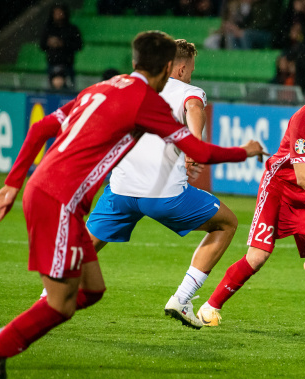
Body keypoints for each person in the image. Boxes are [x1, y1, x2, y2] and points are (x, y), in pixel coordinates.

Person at [0, 31, 265, 379]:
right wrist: (245, 151)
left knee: (92, 290)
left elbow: (41, 127)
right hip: (60, 200)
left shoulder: (102, 88)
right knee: (60, 304)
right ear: (168, 68)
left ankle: (4, 339)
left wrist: (12, 183)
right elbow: (199, 144)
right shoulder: (147, 101)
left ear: (134, 62)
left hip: (66, 191)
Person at [196, 60, 305, 326]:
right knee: (258, 256)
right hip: (280, 189)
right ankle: (209, 307)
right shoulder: (304, 120)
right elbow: (303, 176)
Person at [84, 39, 238, 330]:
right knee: (227, 223)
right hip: (162, 194)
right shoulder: (189, 91)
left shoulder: (133, 86)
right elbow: (194, 108)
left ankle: (47, 295)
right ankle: (182, 298)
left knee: (88, 244)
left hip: (121, 189)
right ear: (179, 68)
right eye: (190, 70)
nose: (191, 75)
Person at [40, 3, 83, 84]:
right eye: (55, 13)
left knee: (70, 89)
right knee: (50, 90)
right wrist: (49, 43)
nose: (58, 15)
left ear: (65, 13)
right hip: (52, 64)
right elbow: (42, 45)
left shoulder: (72, 29)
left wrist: (63, 43)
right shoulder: (48, 29)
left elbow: (79, 46)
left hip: (68, 64)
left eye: (60, 13)